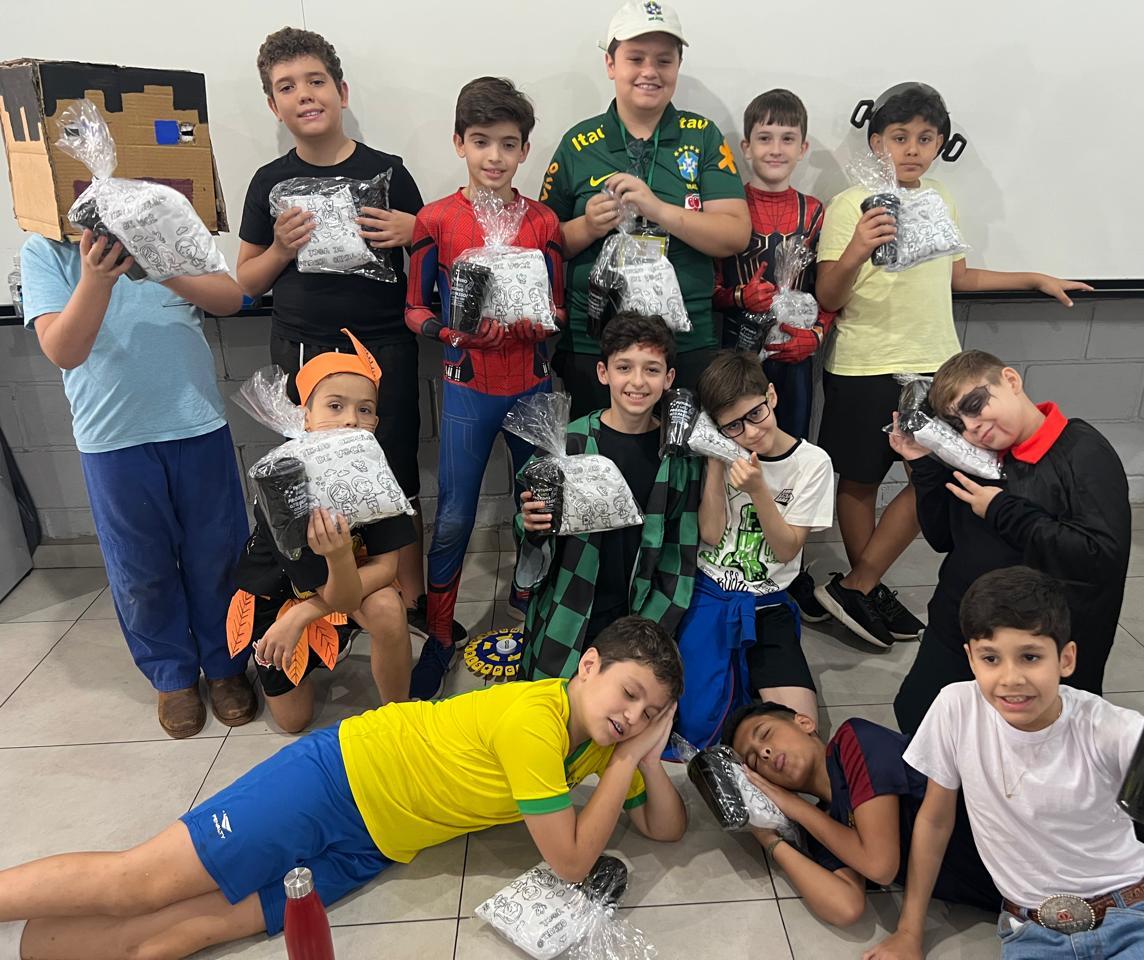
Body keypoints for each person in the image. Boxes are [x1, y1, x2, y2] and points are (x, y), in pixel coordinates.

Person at [0, 617, 687, 960]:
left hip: (373, 844)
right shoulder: (537, 723)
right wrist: (627, 760)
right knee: (138, 883)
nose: (633, 717)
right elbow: (570, 862)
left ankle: (37, 947)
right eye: (629, 694)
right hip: (335, 780)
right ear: (587, 666)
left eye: (651, 713)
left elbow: (666, 828)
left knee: (184, 934)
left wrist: (646, 760)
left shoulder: (600, 740)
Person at [863, 566, 1144, 960]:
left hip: (1132, 914)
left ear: (1066, 658)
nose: (1010, 678)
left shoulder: (1105, 726)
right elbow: (935, 820)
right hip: (1032, 931)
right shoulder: (955, 708)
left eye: (1030, 657)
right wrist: (909, 931)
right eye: (991, 658)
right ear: (971, 657)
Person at [812, 82, 1091, 650]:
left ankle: (860, 583)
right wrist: (860, 246)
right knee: (861, 481)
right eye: (899, 137)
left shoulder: (939, 198)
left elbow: (958, 277)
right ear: (876, 142)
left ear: (941, 144)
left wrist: (1034, 277)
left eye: (926, 138)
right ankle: (865, 588)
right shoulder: (849, 204)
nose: (912, 149)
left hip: (937, 369)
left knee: (942, 476)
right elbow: (829, 294)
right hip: (865, 364)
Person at [21, 228, 253, 739]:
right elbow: (63, 351)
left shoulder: (173, 226)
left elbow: (230, 299)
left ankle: (226, 665)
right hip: (113, 438)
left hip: (197, 425)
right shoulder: (45, 248)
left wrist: (162, 262)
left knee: (218, 554)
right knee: (140, 566)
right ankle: (172, 675)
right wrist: (96, 278)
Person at [235, 27, 427, 630]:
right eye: (286, 87)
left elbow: (432, 255)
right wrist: (280, 250)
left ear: (341, 91)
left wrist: (414, 231)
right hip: (304, 349)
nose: (304, 94)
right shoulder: (269, 182)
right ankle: (321, 600)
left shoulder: (388, 171)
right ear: (274, 106)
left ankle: (410, 599)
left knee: (395, 469)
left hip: (385, 345)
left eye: (315, 81)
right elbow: (246, 280)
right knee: (313, 476)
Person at [404, 76, 565, 699]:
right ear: (458, 143)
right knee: (452, 517)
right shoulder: (437, 220)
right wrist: (453, 334)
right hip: (468, 390)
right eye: (480, 141)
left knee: (540, 508)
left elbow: (558, 307)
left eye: (507, 143)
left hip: (532, 386)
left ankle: (534, 615)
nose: (494, 156)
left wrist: (538, 324)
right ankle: (441, 634)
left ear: (525, 149)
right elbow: (414, 309)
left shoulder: (543, 222)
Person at [889, 349, 1130, 736]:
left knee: (1026, 745)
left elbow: (1099, 556)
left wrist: (1001, 509)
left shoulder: (1082, 451)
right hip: (960, 628)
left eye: (975, 405)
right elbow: (943, 538)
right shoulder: (975, 455)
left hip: (1033, 643)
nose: (973, 426)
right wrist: (924, 467)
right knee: (921, 718)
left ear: (1011, 381)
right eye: (958, 423)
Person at [539, 0, 750, 418]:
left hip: (685, 341)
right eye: (635, 58)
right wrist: (588, 225)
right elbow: (544, 243)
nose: (650, 71)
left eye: (664, 60)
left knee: (682, 456)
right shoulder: (578, 143)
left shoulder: (702, 136)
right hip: (595, 343)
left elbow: (735, 234)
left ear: (678, 66)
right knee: (598, 455)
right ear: (610, 64)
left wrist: (659, 209)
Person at [227, 330, 413, 733]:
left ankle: (399, 718)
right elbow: (332, 590)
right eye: (335, 405)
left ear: (376, 422)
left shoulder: (374, 477)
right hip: (279, 597)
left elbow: (385, 568)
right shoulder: (283, 487)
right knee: (294, 722)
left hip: (342, 588)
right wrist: (294, 614)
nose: (351, 419)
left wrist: (310, 606)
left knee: (387, 607)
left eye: (365, 410)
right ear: (305, 417)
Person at [517, 312, 700, 681]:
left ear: (669, 379)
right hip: (569, 604)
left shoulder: (677, 457)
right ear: (603, 373)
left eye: (651, 370)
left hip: (638, 612)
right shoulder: (569, 444)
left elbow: (679, 553)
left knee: (622, 698)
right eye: (624, 367)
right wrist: (531, 525)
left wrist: (652, 627)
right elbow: (529, 525)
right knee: (553, 700)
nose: (637, 381)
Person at [712, 88, 835, 622]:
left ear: (803, 147)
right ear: (745, 146)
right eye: (764, 138)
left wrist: (818, 335)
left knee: (791, 447)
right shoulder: (729, 206)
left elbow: (830, 290)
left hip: (791, 358)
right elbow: (710, 287)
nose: (776, 148)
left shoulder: (816, 212)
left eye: (788, 138)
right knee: (731, 446)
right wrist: (740, 296)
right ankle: (729, 550)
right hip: (737, 357)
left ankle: (790, 564)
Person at [674, 350, 834, 747]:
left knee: (799, 733)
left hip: (769, 601)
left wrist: (760, 490)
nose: (749, 432)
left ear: (772, 396)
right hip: (709, 590)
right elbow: (711, 534)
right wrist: (716, 461)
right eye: (732, 426)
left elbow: (786, 550)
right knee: (693, 725)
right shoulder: (724, 454)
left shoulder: (812, 463)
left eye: (756, 414)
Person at [722, 701, 1000, 926]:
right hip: (1008, 903)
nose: (765, 752)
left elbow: (880, 866)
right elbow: (846, 907)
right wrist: (768, 839)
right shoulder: (821, 825)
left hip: (1021, 847)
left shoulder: (855, 740)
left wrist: (795, 806)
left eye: (766, 734)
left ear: (804, 722)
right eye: (754, 761)